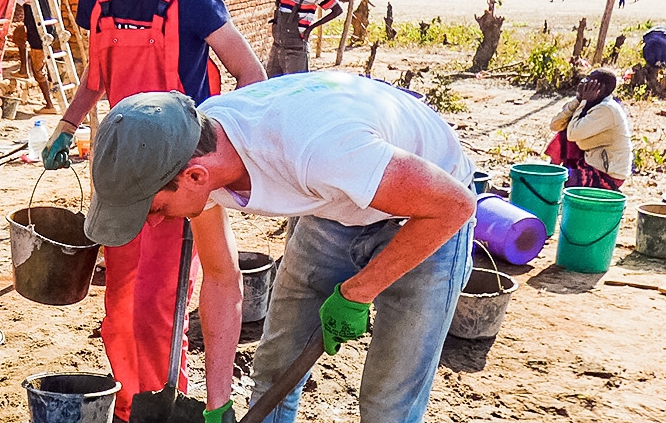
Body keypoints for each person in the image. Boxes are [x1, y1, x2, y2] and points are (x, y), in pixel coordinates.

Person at [83, 72, 477, 422]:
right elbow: (221, 278)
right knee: (275, 372)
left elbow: (454, 206)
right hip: (336, 205)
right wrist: (217, 404)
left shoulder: (319, 149)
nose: (153, 222)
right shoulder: (191, 147)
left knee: (387, 400)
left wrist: (359, 291)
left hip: (428, 213)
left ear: (196, 176)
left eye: (155, 208)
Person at [40, 0, 266, 420]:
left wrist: (222, 154)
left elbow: (251, 76)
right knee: (119, 310)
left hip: (177, 182)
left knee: (156, 311)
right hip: (121, 177)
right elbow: (96, 78)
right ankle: (128, 407)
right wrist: (66, 124)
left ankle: (166, 404)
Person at [546, 69, 632, 191]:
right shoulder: (593, 104)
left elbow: (573, 133)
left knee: (560, 182)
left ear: (599, 88)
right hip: (591, 162)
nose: (583, 82)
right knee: (563, 132)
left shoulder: (606, 109)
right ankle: (553, 171)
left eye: (588, 80)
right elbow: (555, 125)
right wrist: (578, 100)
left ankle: (554, 179)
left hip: (608, 174)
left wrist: (584, 101)